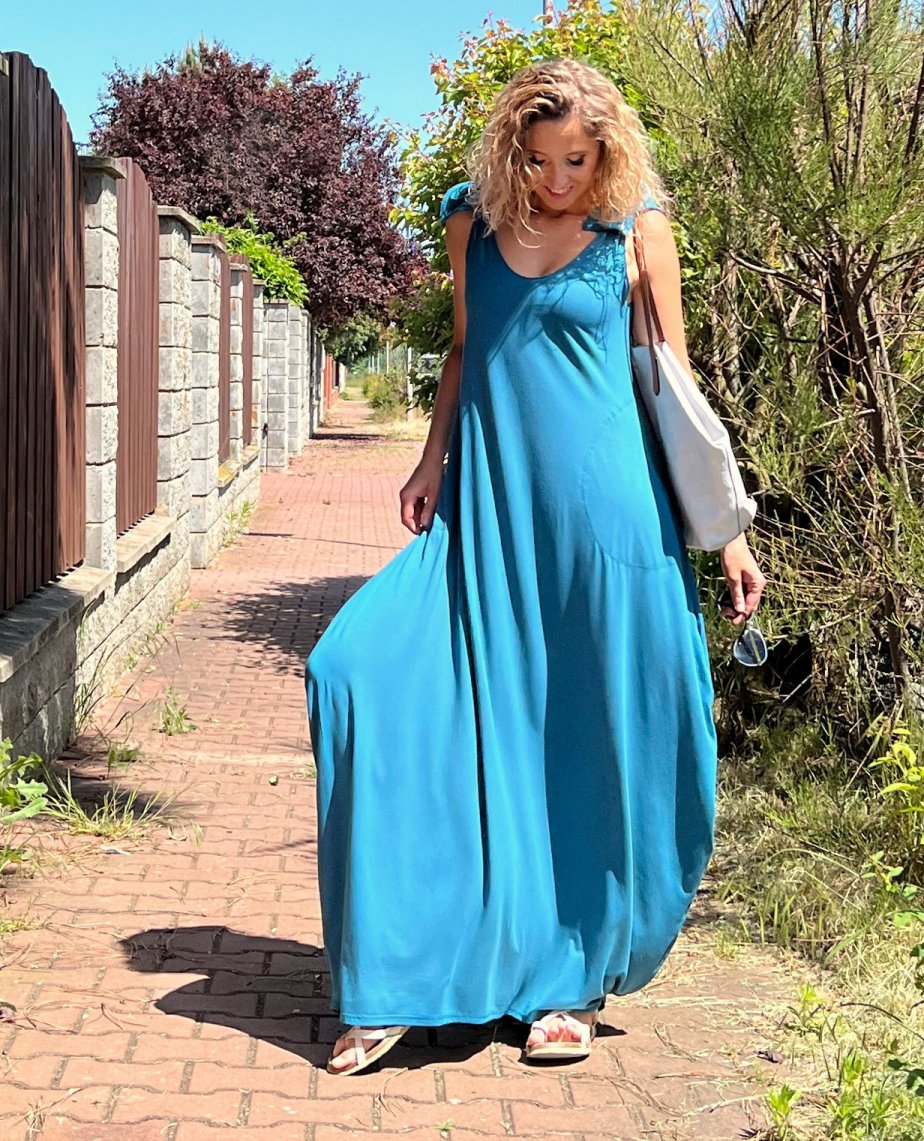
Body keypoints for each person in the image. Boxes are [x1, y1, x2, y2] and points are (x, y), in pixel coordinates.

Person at [305, 57, 767, 1076]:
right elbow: (466, 350)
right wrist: (432, 459)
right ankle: (400, 976)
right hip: (488, 513)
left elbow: (677, 387)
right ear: (509, 150)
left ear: (606, 155)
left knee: (584, 739)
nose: (558, 181)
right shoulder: (470, 224)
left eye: (578, 161)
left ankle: (567, 982)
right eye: (539, 159)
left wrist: (727, 530)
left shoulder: (636, 233)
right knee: (355, 672)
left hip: (607, 528)